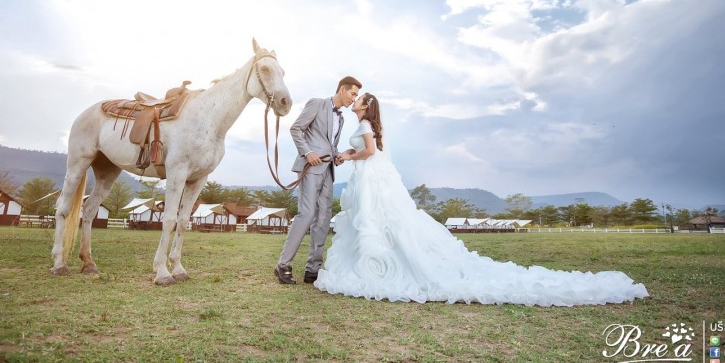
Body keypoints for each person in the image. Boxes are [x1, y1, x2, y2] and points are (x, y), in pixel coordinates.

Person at [314, 93, 649, 306]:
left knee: (382, 221)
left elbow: (370, 152)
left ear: (366, 105)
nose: (355, 100)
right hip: (370, 177)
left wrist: (352, 156)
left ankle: (388, 265)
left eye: (359, 98)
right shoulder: (366, 123)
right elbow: (365, 151)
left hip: (373, 178)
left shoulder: (367, 122)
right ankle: (376, 261)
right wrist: (346, 153)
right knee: (379, 222)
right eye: (354, 97)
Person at [274, 76, 362, 285]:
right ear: (342, 89)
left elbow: (329, 143)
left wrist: (337, 156)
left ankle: (312, 269)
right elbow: (296, 129)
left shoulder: (341, 118)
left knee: (323, 218)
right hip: (310, 168)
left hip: (328, 170)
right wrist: (307, 152)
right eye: (353, 93)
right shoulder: (317, 103)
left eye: (356, 95)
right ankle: (283, 265)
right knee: (307, 214)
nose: (354, 98)